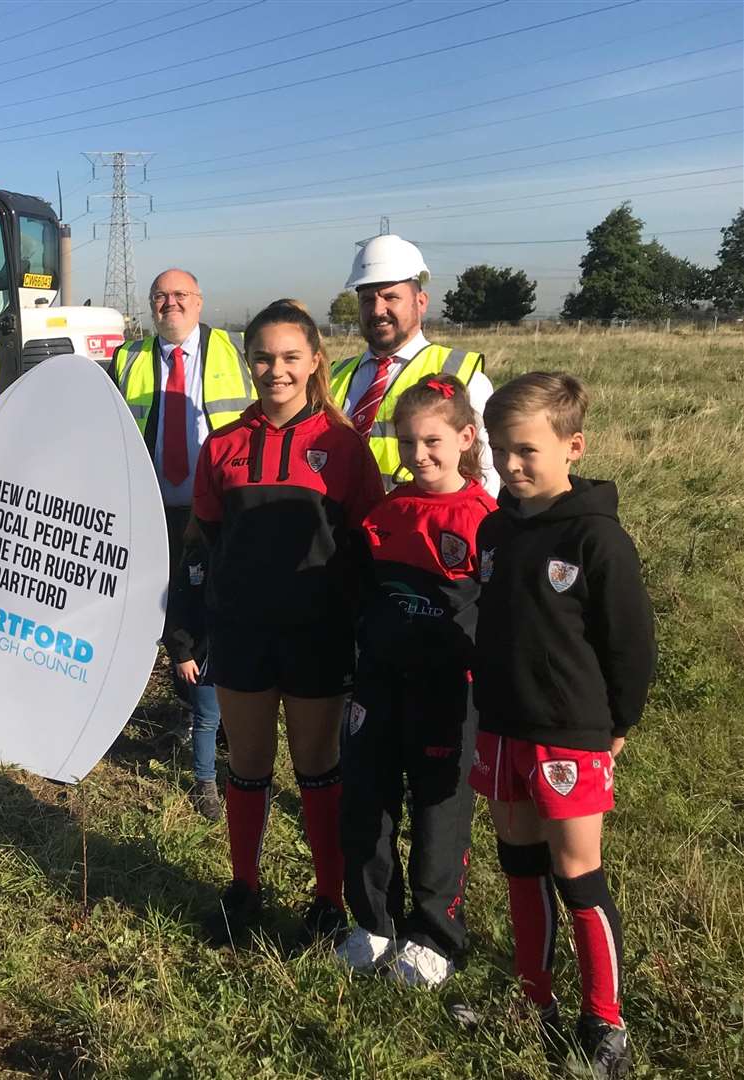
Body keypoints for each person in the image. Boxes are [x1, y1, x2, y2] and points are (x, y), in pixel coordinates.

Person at [467, 372, 654, 1078]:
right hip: (501, 725)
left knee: (576, 873)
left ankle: (603, 1020)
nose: (509, 466)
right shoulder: (493, 528)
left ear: (572, 446)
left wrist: (617, 720)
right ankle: (532, 998)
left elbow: (629, 643)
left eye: (524, 451)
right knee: (518, 864)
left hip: (567, 733)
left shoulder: (596, 539)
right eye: (497, 449)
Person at [189, 299, 383, 947]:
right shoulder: (222, 444)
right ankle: (243, 887)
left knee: (316, 766)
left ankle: (328, 900)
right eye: (263, 357)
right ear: (249, 363)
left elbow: (366, 548)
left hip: (317, 636)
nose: (275, 369)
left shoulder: (342, 446)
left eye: (289, 357)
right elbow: (206, 544)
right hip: (242, 634)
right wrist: (189, 630)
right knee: (247, 763)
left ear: (313, 363)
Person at [337, 374, 496, 988]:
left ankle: (434, 934)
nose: (418, 455)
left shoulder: (486, 520)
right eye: (406, 442)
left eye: (432, 441)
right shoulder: (386, 511)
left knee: (439, 813)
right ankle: (375, 922)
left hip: (449, 695)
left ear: (465, 437)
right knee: (367, 803)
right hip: (378, 685)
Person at [111, 268, 255, 821]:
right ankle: (191, 704)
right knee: (165, 608)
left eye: (180, 296)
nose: (169, 304)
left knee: (213, 604)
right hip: (153, 509)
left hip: (214, 508)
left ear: (199, 302)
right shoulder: (130, 357)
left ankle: (221, 717)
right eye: (160, 297)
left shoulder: (229, 350)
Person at [330, 235, 499, 497]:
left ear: (421, 302)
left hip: (416, 532)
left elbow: (486, 476)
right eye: (367, 300)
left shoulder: (463, 375)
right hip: (340, 531)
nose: (377, 310)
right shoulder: (333, 376)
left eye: (391, 297)